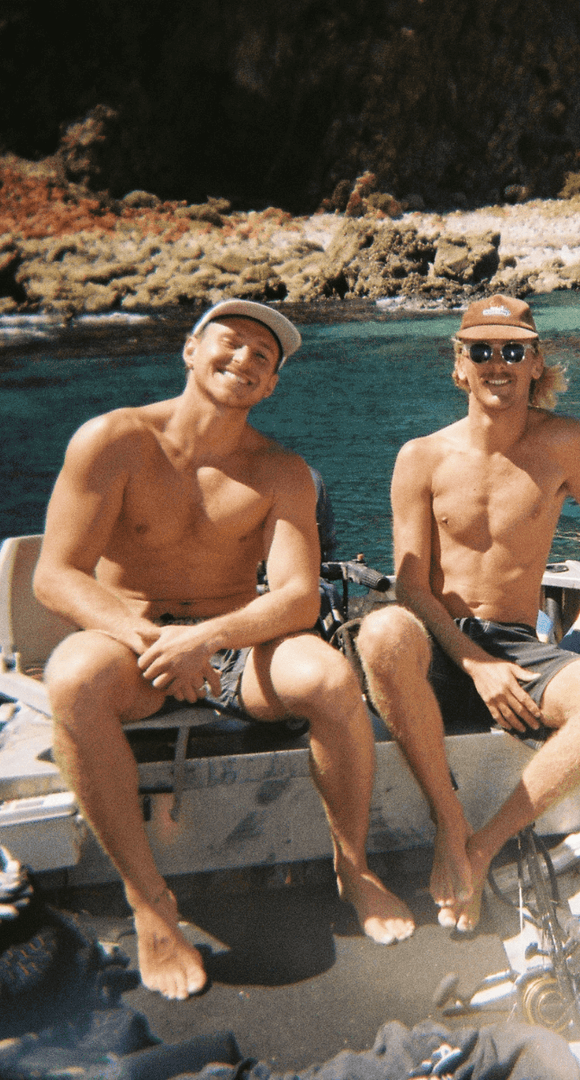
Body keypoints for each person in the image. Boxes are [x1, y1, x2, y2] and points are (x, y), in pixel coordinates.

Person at [33, 299, 414, 1002]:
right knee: (71, 677)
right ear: (189, 349)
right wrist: (155, 644)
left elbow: (299, 598)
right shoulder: (112, 440)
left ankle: (353, 866)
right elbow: (55, 574)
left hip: (231, 644)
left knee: (330, 679)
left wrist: (205, 640)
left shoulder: (281, 471)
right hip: (133, 641)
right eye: (230, 343)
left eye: (262, 358)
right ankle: (151, 904)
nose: (244, 360)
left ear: (270, 386)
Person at [355, 295, 580, 933]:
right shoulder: (421, 457)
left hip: (519, 645)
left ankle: (480, 846)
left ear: (535, 363)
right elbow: (411, 585)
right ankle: (451, 825)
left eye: (513, 350)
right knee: (382, 630)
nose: (497, 364)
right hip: (438, 640)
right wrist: (474, 666)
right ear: (460, 366)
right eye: (482, 351)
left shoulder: (565, 442)